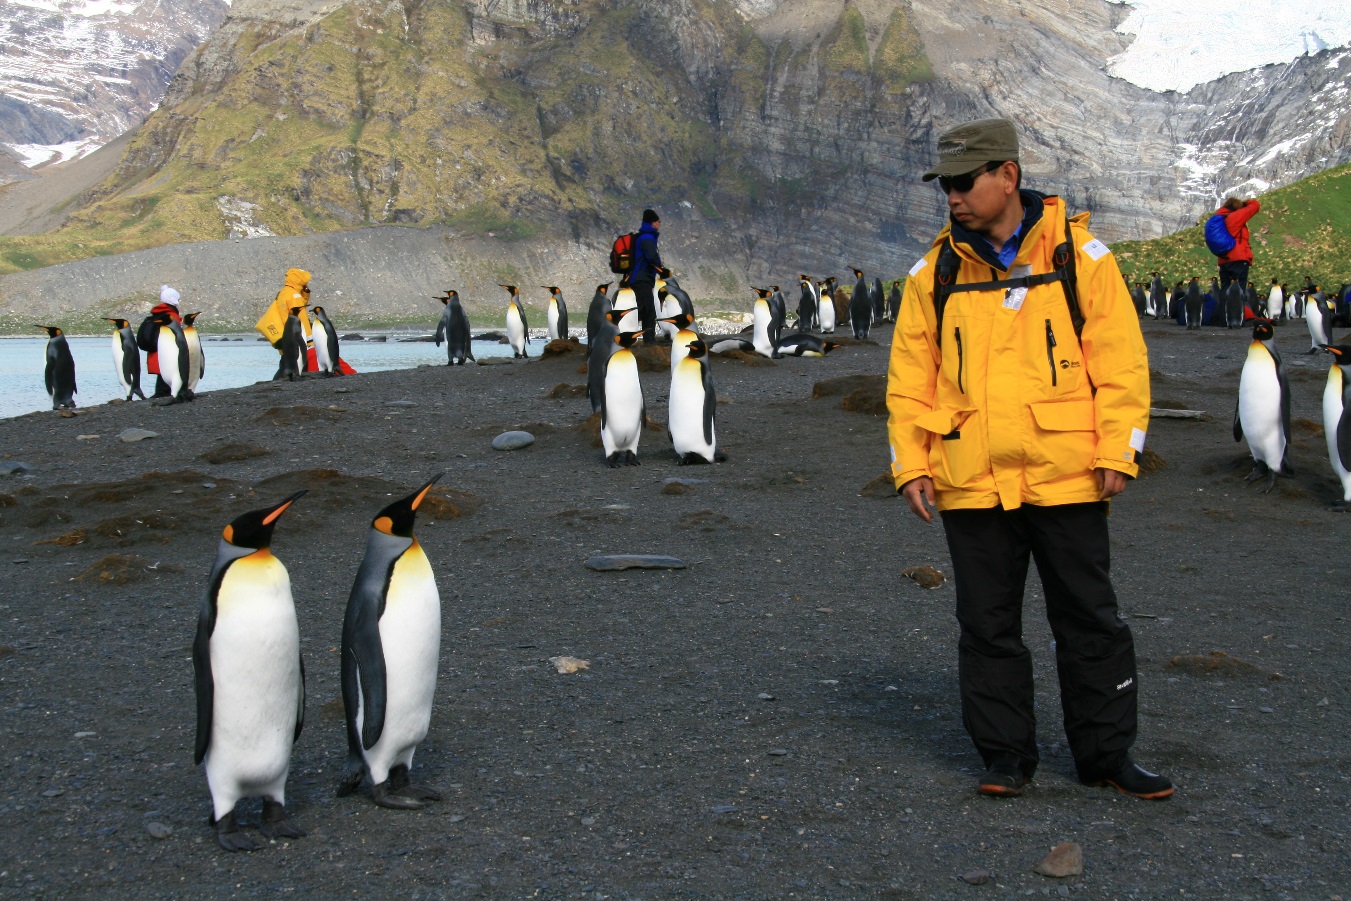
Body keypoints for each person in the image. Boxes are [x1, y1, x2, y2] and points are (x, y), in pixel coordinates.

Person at [886, 118, 1173, 801]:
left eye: (963, 182)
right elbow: (908, 377)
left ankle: (1105, 754)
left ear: (1006, 176)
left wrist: (1118, 450)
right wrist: (911, 464)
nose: (951, 196)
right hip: (971, 477)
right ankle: (1005, 756)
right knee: (986, 624)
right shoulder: (934, 272)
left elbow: (1121, 363)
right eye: (945, 185)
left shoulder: (1081, 257)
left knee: (1088, 618)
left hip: (1066, 471)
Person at [256, 268, 313, 378]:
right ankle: (281, 382)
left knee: (287, 361)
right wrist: (308, 338)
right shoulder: (293, 296)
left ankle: (279, 381)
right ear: (299, 280)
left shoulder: (286, 292)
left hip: (287, 334)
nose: (307, 282)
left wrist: (305, 294)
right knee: (295, 361)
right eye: (304, 280)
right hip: (295, 334)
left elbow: (295, 307)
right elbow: (300, 317)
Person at [136, 285, 184, 398]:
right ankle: (163, 395)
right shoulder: (171, 316)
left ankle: (161, 394)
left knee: (163, 375)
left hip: (156, 353)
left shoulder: (158, 314)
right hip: (165, 354)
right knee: (167, 374)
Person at [626, 209, 664, 344]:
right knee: (647, 311)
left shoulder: (644, 236)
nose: (660, 224)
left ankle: (638, 338)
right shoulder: (647, 237)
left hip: (639, 278)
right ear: (653, 223)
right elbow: (651, 257)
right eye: (658, 221)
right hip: (641, 279)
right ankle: (649, 341)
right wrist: (660, 265)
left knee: (643, 309)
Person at [1213, 196, 1260, 294]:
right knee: (1238, 293)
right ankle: (1237, 309)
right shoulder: (1235, 216)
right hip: (1238, 258)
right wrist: (1245, 202)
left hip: (1224, 260)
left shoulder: (1221, 217)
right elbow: (1255, 205)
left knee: (1225, 291)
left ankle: (1224, 309)